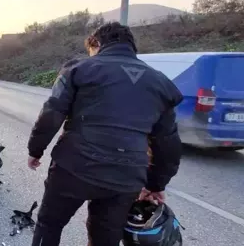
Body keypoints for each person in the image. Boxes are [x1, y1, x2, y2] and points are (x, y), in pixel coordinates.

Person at [27, 22, 183, 246]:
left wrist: (35, 150)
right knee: (105, 238)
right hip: (126, 176)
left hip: (73, 168)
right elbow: (167, 143)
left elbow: (52, 113)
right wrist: (156, 184)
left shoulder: (78, 70)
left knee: (49, 224)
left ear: (97, 43)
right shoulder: (159, 82)